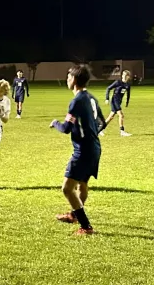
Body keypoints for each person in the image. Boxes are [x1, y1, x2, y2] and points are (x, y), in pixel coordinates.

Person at [50, 64, 106, 236]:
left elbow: (66, 127)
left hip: (83, 151)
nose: (67, 79)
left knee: (67, 189)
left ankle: (86, 227)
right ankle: (74, 215)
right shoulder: (91, 98)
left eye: (68, 77)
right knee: (82, 184)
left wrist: (55, 123)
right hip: (95, 147)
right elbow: (102, 122)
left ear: (73, 80)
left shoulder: (76, 101)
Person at [102, 70, 133, 136]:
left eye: (126, 75)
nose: (124, 76)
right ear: (122, 75)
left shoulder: (127, 85)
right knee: (121, 115)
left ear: (128, 77)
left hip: (118, 102)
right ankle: (122, 131)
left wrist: (127, 102)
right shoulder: (118, 82)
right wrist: (107, 99)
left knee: (110, 117)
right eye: (123, 75)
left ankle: (100, 129)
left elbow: (128, 94)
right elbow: (108, 88)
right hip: (114, 101)